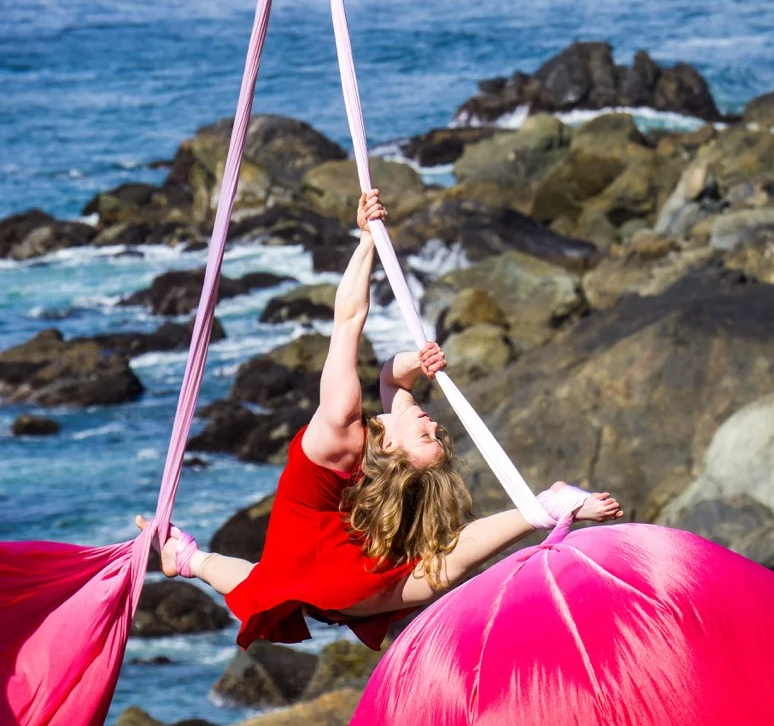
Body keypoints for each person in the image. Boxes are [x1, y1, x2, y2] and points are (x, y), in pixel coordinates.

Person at [138, 190, 622, 649]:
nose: (433, 423)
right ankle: (190, 559)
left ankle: (541, 508)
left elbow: (348, 320)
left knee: (394, 577)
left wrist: (366, 239)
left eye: (426, 433)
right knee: (286, 582)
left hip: (334, 565)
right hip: (316, 542)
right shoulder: (393, 428)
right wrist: (415, 360)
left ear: (391, 450)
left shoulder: (342, 422)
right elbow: (396, 379)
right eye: (434, 431)